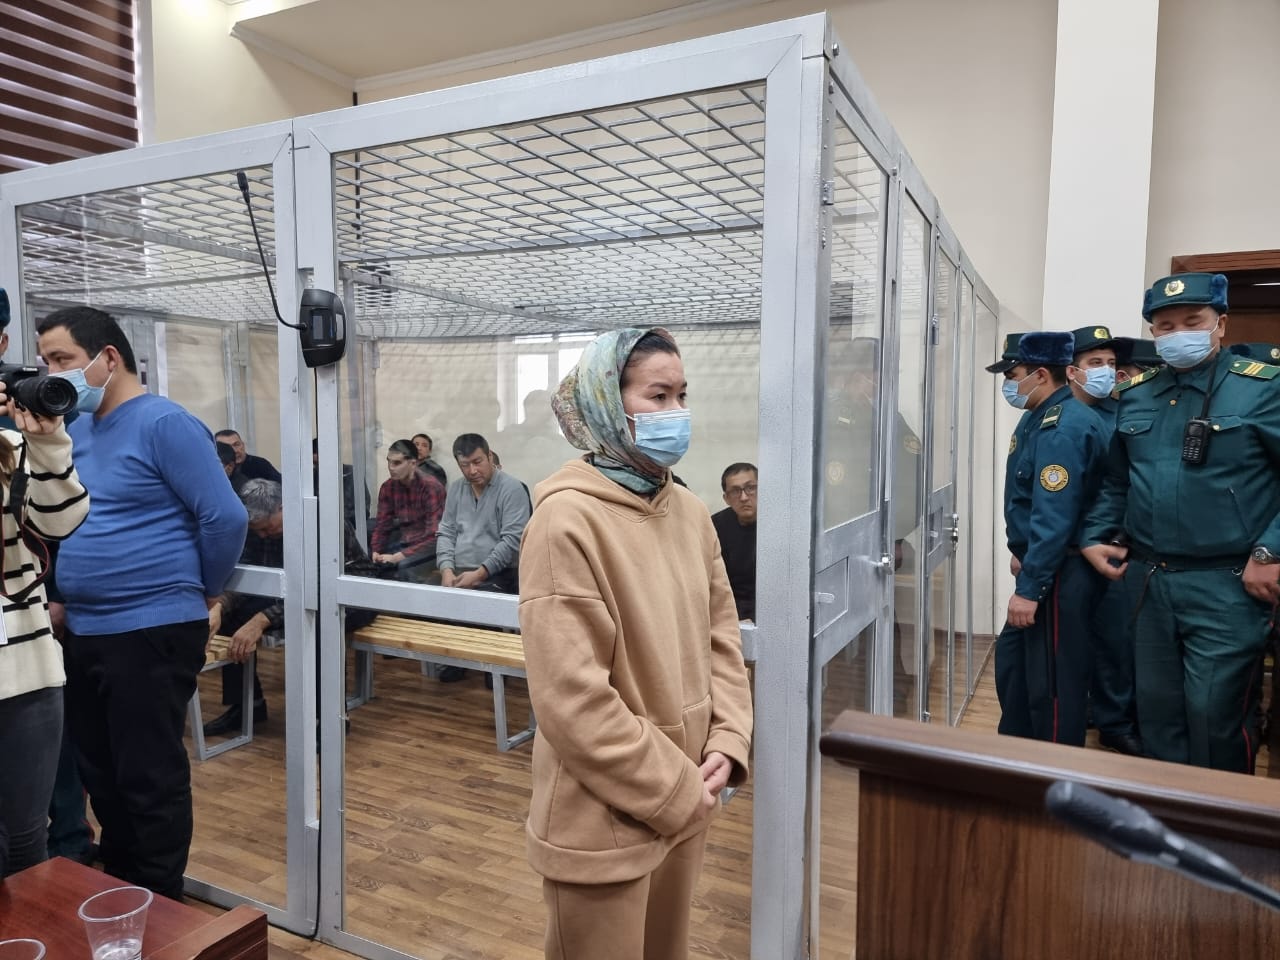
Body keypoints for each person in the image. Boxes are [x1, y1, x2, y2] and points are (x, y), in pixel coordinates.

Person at [519, 326, 753, 960]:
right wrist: (677, 789)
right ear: (606, 403)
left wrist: (728, 741)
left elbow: (721, 639)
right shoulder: (565, 521)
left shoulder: (689, 513)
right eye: (658, 396)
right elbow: (573, 701)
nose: (677, 414)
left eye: (683, 395)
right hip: (607, 819)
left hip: (688, 802)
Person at [36, 306, 247, 901]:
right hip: (84, 626)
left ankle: (158, 903)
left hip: (151, 628)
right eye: (45, 360)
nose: (52, 371)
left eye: (63, 359)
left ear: (108, 358)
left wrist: (204, 590)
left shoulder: (163, 422)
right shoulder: (76, 430)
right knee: (100, 769)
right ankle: (126, 888)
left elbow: (224, 516)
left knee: (147, 774)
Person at [1081, 273, 1280, 773]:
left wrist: (1269, 551)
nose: (1178, 334)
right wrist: (1093, 536)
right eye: (1165, 326)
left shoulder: (1262, 388)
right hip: (1149, 582)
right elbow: (1115, 482)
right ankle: (1169, 825)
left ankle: (1225, 827)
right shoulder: (1137, 393)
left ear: (1221, 324)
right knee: (1158, 711)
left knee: (1213, 713)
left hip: (1229, 582)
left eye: (1192, 321)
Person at [989, 331, 1109, 747]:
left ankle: (1053, 778)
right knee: (1015, 666)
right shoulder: (1037, 417)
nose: (1008, 383)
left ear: (1041, 374)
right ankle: (1017, 757)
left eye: (1014, 374)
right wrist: (1023, 554)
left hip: (1060, 572)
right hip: (1042, 564)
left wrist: (1031, 587)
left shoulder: (1063, 427)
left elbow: (1054, 516)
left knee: (1053, 685)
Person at [0, 377, 90, 877]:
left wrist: (48, 439)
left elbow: (62, 522)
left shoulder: (12, 446)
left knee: (26, 840)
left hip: (27, 669)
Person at [1065, 326, 1143, 756]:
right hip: (1071, 549)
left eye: (1112, 364)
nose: (1108, 372)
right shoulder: (1059, 417)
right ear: (1072, 370)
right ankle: (1087, 714)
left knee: (1116, 639)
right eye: (1097, 364)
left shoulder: (1123, 413)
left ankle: (1113, 720)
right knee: (1074, 642)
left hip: (1116, 544)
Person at [435, 433, 530, 595]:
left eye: (477, 462)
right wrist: (446, 569)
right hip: (457, 570)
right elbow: (446, 532)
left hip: (499, 572)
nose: (472, 471)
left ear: (490, 456)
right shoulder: (456, 489)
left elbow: (512, 541)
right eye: (465, 465)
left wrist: (480, 573)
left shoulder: (512, 489)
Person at [370, 438, 445, 579]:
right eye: (389, 461)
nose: (391, 467)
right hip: (405, 543)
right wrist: (376, 550)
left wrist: (398, 557)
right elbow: (382, 526)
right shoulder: (388, 487)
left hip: (431, 549)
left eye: (397, 463)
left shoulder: (431, 487)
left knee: (405, 567)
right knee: (373, 564)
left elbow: (434, 536)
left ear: (413, 463)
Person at [711, 462, 757, 621]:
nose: (744, 497)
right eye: (736, 491)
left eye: (750, 488)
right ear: (726, 498)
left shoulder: (781, 525)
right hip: (730, 614)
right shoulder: (714, 527)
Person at [214, 429, 281, 483]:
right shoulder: (213, 469)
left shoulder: (260, 464)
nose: (234, 450)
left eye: (236, 445)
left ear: (243, 445)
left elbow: (281, 487)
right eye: (226, 447)